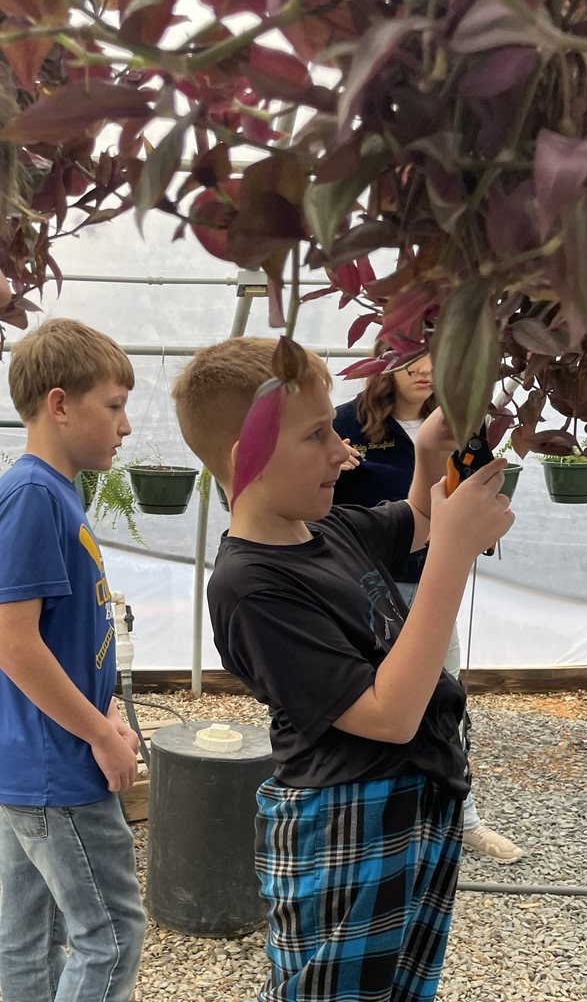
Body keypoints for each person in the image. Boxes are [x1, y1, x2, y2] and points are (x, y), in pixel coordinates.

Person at [172, 335, 514, 1002]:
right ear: (250, 459)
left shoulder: (327, 530)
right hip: (346, 822)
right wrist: (453, 552)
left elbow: (416, 518)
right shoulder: (250, 584)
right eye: (317, 434)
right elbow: (386, 717)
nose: (343, 450)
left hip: (416, 800)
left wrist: (428, 458)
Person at [0, 318, 146, 1002]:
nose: (123, 426)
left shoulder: (57, 493)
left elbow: (58, 634)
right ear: (60, 405)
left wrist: (107, 707)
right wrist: (96, 735)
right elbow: (14, 644)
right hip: (59, 767)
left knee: (27, 937)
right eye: (113, 406)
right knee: (112, 934)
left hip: (33, 762)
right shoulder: (33, 497)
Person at [332, 349, 523, 864]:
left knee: (444, 705)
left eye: (438, 358)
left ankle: (463, 820)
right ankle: (380, 825)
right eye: (411, 357)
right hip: (366, 590)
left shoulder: (459, 426)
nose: (423, 369)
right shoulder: (348, 423)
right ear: (384, 363)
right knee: (369, 705)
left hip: (430, 587)